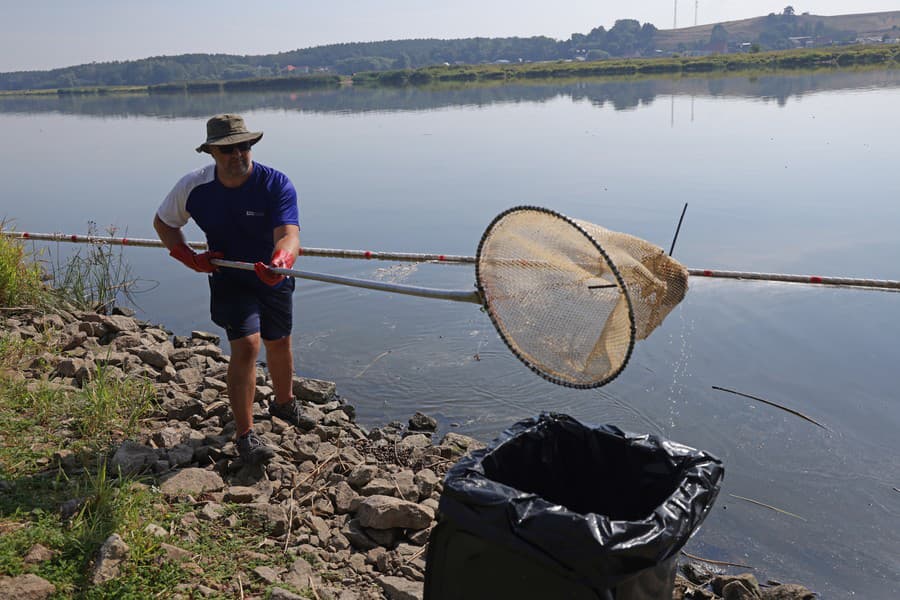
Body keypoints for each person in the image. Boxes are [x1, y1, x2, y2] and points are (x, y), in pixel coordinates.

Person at [154, 113, 304, 465]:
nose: (237, 155)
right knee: (248, 345)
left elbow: (289, 234)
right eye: (227, 150)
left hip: (273, 273)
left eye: (243, 147)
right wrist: (188, 257)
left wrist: (281, 261)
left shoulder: (275, 183)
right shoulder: (194, 187)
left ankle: (284, 404)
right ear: (211, 153)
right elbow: (163, 223)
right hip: (230, 276)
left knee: (279, 340)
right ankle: (246, 435)